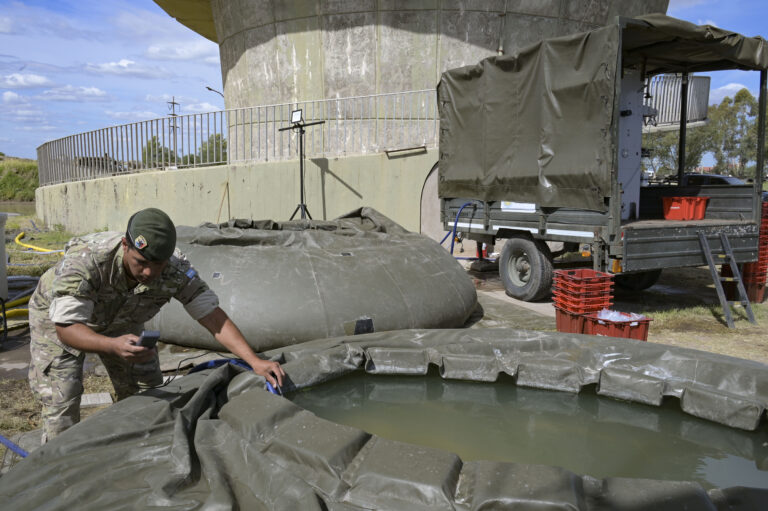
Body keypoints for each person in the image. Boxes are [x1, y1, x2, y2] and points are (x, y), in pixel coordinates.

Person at [28, 207, 285, 442]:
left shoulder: (176, 269)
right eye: (141, 263)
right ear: (125, 245)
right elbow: (66, 328)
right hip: (60, 320)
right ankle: (59, 475)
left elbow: (213, 317)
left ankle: (136, 449)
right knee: (62, 401)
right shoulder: (86, 262)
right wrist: (111, 345)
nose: (149, 273)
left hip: (121, 322)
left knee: (148, 393)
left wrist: (254, 360)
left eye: (158, 265)